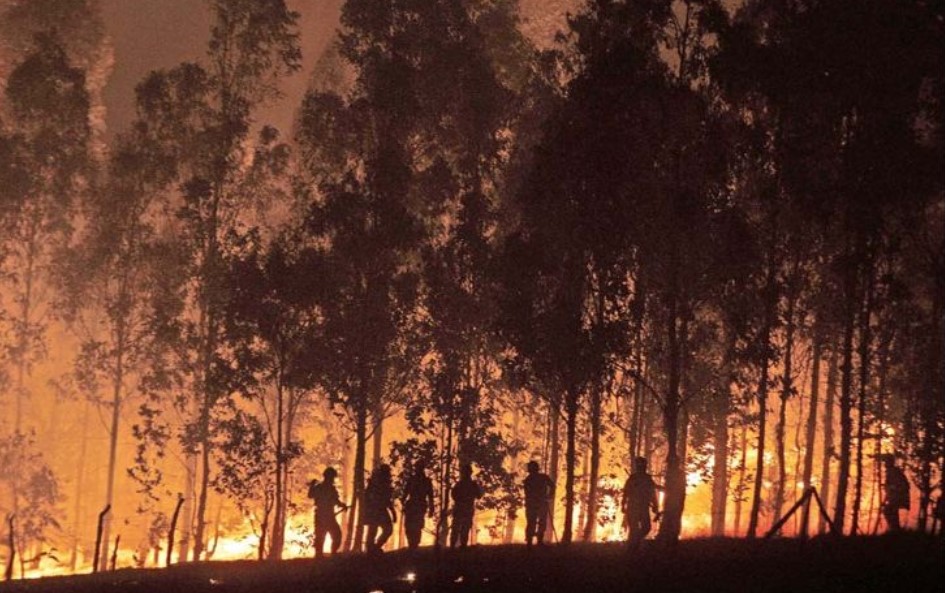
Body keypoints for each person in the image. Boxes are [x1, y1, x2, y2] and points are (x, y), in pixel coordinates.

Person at [308, 467, 347, 558]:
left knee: (335, 535)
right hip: (323, 515)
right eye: (332, 477)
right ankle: (320, 555)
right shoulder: (321, 487)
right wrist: (312, 486)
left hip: (326, 515)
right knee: (322, 536)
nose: (333, 479)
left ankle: (330, 553)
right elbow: (310, 495)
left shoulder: (327, 488)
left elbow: (336, 500)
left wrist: (342, 505)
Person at [622, 456, 660, 549]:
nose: (642, 467)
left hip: (642, 507)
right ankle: (633, 547)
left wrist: (655, 505)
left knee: (645, 527)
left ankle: (634, 543)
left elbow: (652, 492)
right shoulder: (633, 478)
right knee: (635, 529)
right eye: (640, 465)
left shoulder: (646, 479)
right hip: (634, 507)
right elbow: (626, 492)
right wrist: (623, 504)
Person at [402, 460, 435, 550]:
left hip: (419, 505)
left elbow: (430, 496)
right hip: (413, 505)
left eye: (419, 467)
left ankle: (414, 544)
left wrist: (432, 508)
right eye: (417, 467)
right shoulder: (412, 479)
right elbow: (405, 492)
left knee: (416, 526)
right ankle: (412, 544)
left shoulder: (426, 481)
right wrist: (403, 501)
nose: (418, 469)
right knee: (409, 525)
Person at [364, 464, 396, 553]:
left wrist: (393, 511)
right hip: (375, 510)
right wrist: (392, 511)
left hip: (378, 510)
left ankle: (374, 548)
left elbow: (386, 499)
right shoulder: (376, 484)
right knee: (375, 530)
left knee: (385, 529)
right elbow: (369, 497)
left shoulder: (381, 483)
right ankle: (371, 549)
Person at [523, 461, 555, 547]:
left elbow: (552, 486)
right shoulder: (537, 478)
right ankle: (533, 542)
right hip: (537, 503)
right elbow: (552, 486)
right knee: (536, 522)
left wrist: (549, 496)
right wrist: (549, 496)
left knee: (534, 522)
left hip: (534, 503)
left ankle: (533, 542)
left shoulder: (528, 479)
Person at [450, 463, 482, 548]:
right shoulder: (470, 484)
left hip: (462, 508)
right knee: (463, 527)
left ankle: (455, 545)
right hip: (466, 508)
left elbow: (453, 495)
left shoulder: (460, 484)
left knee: (460, 527)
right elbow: (479, 495)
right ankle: (460, 545)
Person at [881, 455, 910, 532]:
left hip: (898, 496)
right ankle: (894, 530)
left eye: (886, 462)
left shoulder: (894, 472)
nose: (885, 464)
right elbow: (889, 489)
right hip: (894, 496)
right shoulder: (891, 472)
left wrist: (892, 487)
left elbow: (902, 485)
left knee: (890, 510)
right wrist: (885, 500)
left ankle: (895, 530)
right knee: (889, 511)